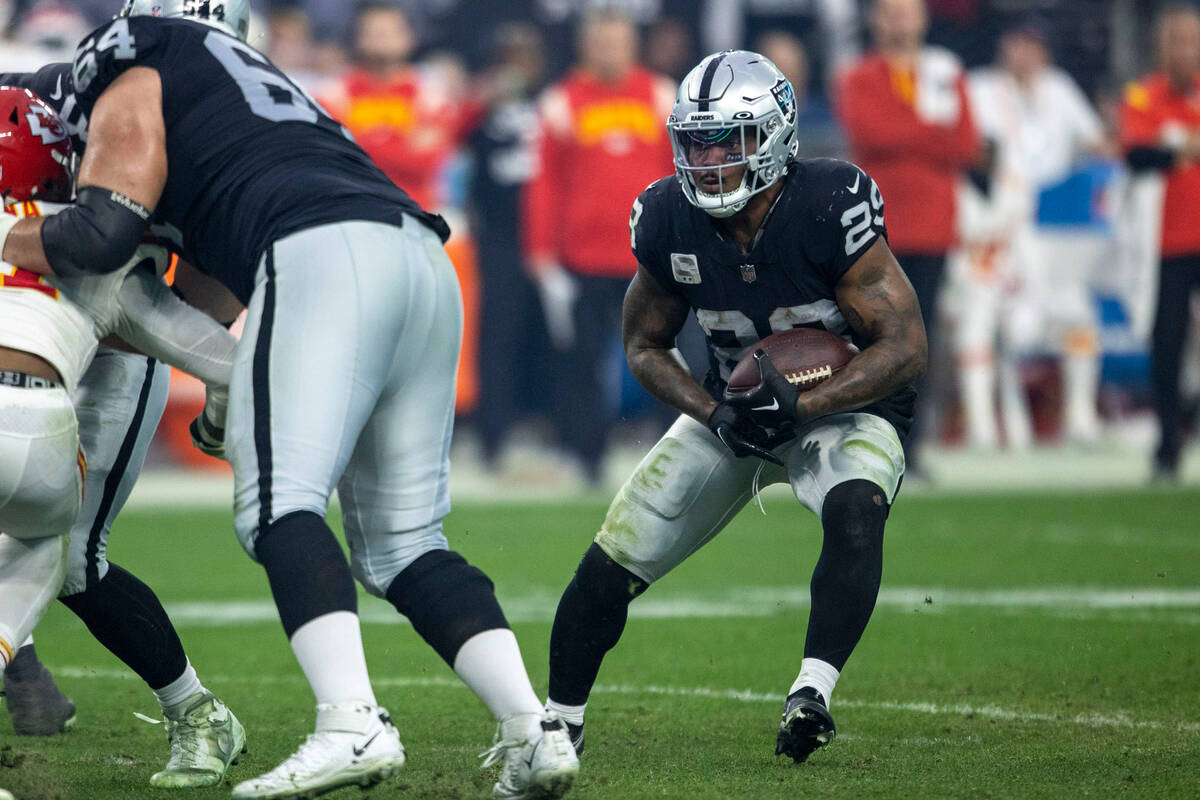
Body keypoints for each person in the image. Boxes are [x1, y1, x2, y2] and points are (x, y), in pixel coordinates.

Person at [0, 2, 578, 799]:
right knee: (405, 544)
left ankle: (350, 723)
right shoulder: (246, 89)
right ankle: (532, 731)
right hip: (420, 258)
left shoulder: (138, 56)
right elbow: (203, 296)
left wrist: (10, 232)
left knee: (277, 506)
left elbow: (99, 233)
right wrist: (225, 386)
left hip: (321, 251)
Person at [544, 50, 924, 763]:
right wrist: (714, 413)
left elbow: (904, 344)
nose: (710, 158)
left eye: (729, 139)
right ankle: (558, 722)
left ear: (776, 135)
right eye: (696, 141)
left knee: (853, 509)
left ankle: (811, 692)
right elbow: (646, 344)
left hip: (843, 409)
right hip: (736, 412)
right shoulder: (665, 216)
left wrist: (813, 402)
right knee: (612, 557)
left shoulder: (827, 201)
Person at [0, 83, 245, 784]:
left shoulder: (197, 126)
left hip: (120, 355)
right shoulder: (69, 88)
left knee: (75, 559)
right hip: (87, 342)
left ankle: (195, 712)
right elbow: (227, 356)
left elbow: (215, 275)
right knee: (42, 534)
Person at [522, 9, 675, 484]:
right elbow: (543, 183)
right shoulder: (559, 102)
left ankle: (675, 457)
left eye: (618, 41)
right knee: (583, 363)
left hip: (650, 256)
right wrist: (541, 252)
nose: (610, 49)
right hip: (583, 258)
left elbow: (681, 173)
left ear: (633, 45)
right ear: (586, 46)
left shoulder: (664, 95)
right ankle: (585, 457)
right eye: (601, 42)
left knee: (668, 358)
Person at [837, 0, 979, 473]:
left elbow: (966, 143)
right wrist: (930, 136)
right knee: (871, 336)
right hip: (875, 229)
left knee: (922, 340)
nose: (899, 22)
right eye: (891, 13)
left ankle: (911, 448)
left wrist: (909, 135)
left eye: (907, 12)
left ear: (922, 18)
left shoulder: (944, 71)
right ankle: (870, 438)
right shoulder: (857, 76)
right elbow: (869, 131)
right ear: (877, 20)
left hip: (935, 226)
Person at [957, 16, 1109, 449]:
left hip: (1049, 226)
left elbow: (1096, 142)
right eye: (1018, 44)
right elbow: (972, 150)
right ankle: (982, 430)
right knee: (980, 324)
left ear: (1045, 52)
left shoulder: (1058, 88)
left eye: (1034, 45)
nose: (1025, 53)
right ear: (1004, 46)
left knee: (1078, 315)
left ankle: (1080, 419)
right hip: (992, 228)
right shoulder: (981, 86)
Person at [1121, 3, 1200, 481]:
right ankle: (1167, 445)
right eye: (1177, 41)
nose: (1185, 50)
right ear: (1160, 47)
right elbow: (1137, 153)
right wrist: (1182, 149)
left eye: (1192, 40)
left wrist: (1177, 148)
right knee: (1166, 346)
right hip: (1166, 246)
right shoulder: (1143, 96)